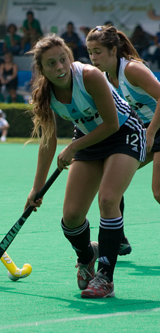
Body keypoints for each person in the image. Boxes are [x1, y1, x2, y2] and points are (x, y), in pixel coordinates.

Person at [25, 35, 145, 298]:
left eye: (63, 59)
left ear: (70, 57)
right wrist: (37, 188)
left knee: (108, 199)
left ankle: (105, 278)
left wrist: (73, 148)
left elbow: (112, 124)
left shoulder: (89, 76)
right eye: (51, 64)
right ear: (42, 70)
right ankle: (87, 256)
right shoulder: (45, 93)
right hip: (89, 141)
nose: (60, 67)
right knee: (71, 218)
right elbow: (48, 141)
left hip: (124, 133)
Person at [86, 25, 160, 255]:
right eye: (90, 52)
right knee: (113, 178)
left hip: (157, 128)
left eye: (98, 51)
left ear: (113, 50)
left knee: (159, 192)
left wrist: (149, 133)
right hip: (145, 129)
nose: (93, 57)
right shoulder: (106, 78)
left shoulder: (132, 70)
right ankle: (119, 239)